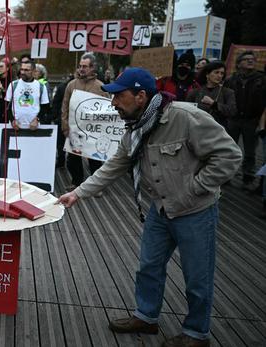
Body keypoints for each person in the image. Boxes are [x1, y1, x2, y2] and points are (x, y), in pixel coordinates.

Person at [58, 68, 242, 347]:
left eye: (119, 96)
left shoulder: (186, 117)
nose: (114, 104)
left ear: (141, 96)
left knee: (197, 277)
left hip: (196, 211)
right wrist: (79, 193)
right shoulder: (134, 127)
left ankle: (196, 333)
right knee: (148, 267)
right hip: (160, 209)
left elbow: (229, 156)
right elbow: (116, 164)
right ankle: (146, 316)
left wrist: (196, 187)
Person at [61, 53, 109, 191]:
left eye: (85, 66)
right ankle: (77, 183)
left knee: (94, 160)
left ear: (92, 67)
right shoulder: (71, 85)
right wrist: (65, 126)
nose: (81, 69)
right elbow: (65, 106)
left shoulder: (101, 87)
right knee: (72, 159)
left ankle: (96, 187)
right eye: (80, 66)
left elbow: (107, 110)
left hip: (93, 130)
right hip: (75, 129)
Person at [224, 50, 266, 186]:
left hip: (252, 120)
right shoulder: (231, 80)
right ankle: (226, 176)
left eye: (252, 59)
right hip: (233, 120)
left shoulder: (262, 79)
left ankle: (247, 178)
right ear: (238, 63)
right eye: (246, 59)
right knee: (229, 149)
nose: (250, 60)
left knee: (250, 152)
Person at [186, 61, 236, 129]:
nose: (219, 76)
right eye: (216, 72)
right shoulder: (194, 92)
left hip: (218, 130)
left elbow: (232, 111)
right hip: (198, 129)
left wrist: (214, 104)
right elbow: (187, 112)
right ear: (207, 74)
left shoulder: (228, 92)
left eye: (222, 73)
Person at [4, 60, 49, 130]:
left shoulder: (41, 87)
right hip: (15, 127)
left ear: (33, 71)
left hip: (34, 127)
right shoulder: (13, 85)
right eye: (21, 69)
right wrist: (12, 120)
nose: (22, 72)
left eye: (26, 70)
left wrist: (37, 119)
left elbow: (45, 107)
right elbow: (6, 105)